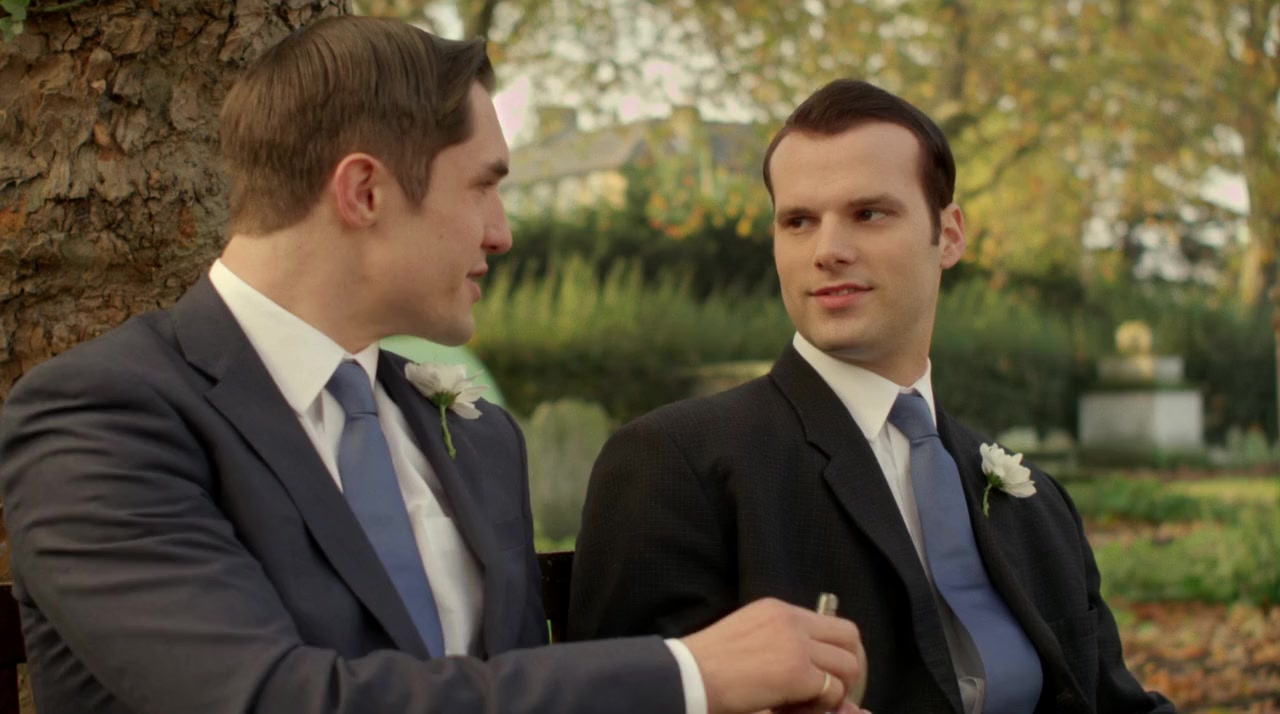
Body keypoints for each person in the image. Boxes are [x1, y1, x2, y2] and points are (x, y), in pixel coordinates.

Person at [0, 18, 867, 713]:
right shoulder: (102, 418)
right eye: (483, 186)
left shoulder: (477, 437)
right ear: (365, 192)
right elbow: (269, 699)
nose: (503, 232)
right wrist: (688, 675)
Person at [568, 78, 1176, 714]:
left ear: (949, 235)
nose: (828, 251)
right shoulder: (674, 464)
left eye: (868, 214)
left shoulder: (1039, 504)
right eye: (799, 221)